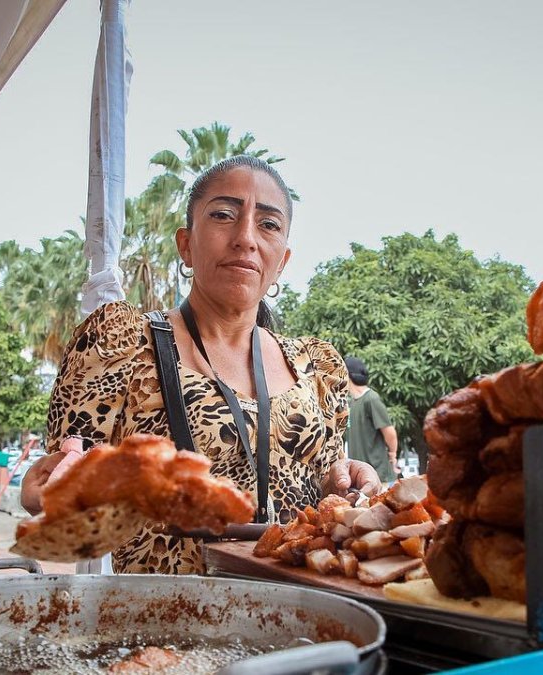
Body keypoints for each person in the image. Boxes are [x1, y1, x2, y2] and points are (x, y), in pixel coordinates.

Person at [21, 155, 381, 575]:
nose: (246, 238)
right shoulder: (119, 343)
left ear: (282, 260)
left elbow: (324, 494)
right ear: (186, 245)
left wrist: (345, 480)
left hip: (296, 617)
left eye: (268, 224)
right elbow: (69, 481)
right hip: (166, 621)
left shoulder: (318, 368)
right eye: (224, 215)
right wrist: (47, 492)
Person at [344, 357, 399, 483]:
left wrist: (393, 454)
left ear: (347, 374)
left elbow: (389, 432)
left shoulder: (371, 399)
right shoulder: (351, 403)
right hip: (359, 476)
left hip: (377, 475)